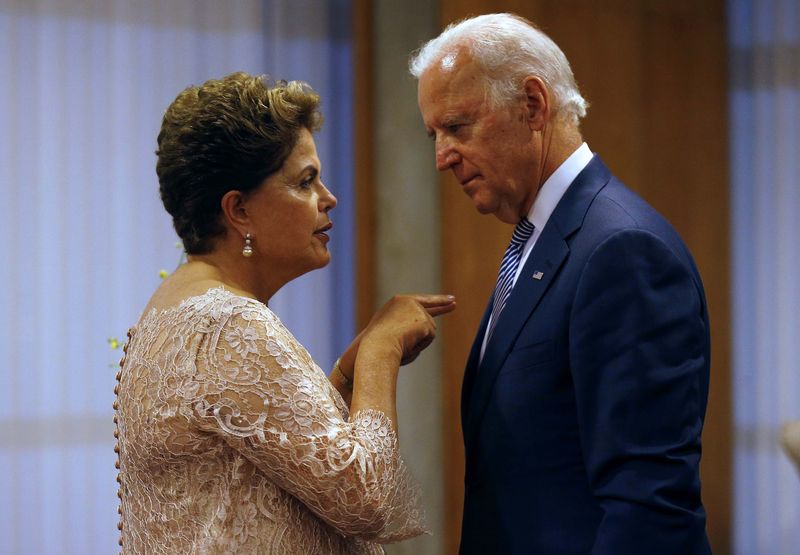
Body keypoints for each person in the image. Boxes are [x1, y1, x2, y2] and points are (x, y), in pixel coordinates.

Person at [112, 72, 455, 554]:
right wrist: (381, 350)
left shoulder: (184, 308)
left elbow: (259, 471)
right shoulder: (228, 325)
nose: (328, 198)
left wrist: (346, 377)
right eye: (305, 181)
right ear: (239, 211)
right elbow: (366, 499)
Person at [410, 13, 711, 555]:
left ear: (533, 105)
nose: (441, 158)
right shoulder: (542, 236)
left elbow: (649, 504)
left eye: (456, 127)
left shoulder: (621, 249)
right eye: (434, 134)